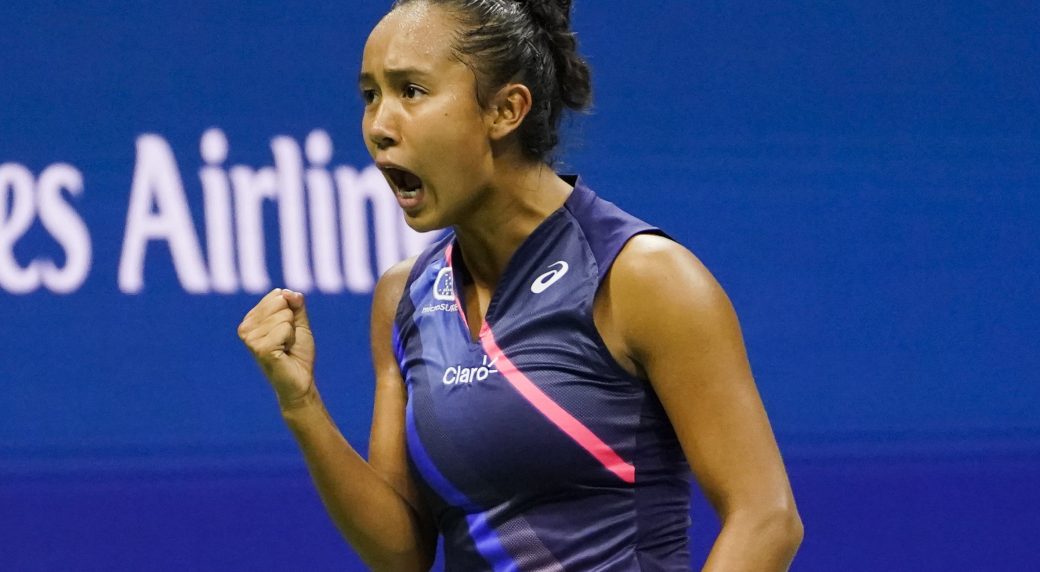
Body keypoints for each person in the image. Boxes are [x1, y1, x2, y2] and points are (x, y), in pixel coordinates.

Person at [237, 0, 803, 569]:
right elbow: (402, 553)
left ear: (506, 110)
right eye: (370, 95)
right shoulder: (405, 296)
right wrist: (301, 404)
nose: (379, 126)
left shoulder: (638, 277)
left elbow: (766, 518)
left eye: (411, 91)